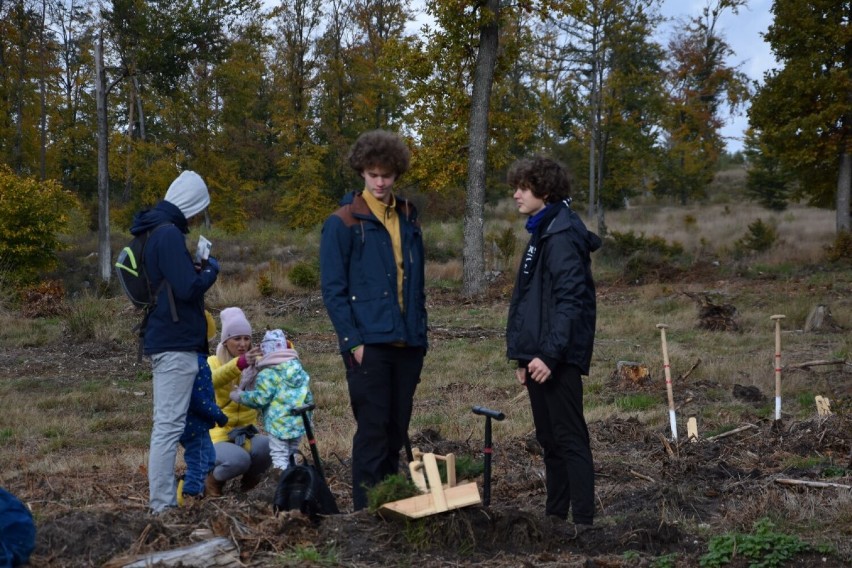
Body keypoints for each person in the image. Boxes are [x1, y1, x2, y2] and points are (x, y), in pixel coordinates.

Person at [319, 129, 428, 511]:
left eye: (386, 174)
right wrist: (353, 342)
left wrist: (422, 336)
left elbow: (416, 284)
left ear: (397, 173)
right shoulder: (343, 222)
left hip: (408, 344)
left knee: (396, 432)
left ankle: (390, 508)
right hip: (369, 345)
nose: (380, 182)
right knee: (373, 433)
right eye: (372, 174)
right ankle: (366, 518)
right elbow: (332, 290)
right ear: (361, 172)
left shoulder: (410, 217)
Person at [504, 156, 601, 535]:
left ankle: (585, 524)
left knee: (569, 437)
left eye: (522, 189)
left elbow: (570, 301)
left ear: (544, 191)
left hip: (557, 357)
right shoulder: (543, 230)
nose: (516, 195)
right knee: (549, 438)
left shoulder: (561, 234)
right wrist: (524, 356)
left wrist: (548, 355)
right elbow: (530, 301)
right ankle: (555, 516)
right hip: (540, 355)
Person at [131, 170, 220, 515]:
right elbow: (187, 289)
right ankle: (162, 505)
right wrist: (210, 270)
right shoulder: (167, 235)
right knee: (167, 427)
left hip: (169, 338)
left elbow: (174, 283)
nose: (196, 216)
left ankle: (164, 503)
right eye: (197, 208)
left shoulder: (156, 231)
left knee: (167, 425)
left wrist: (194, 270)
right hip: (175, 341)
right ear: (189, 203)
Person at [229, 329, 314, 475]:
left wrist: (241, 396)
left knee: (279, 455)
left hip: (278, 424)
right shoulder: (298, 368)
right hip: (299, 421)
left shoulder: (268, 374)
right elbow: (308, 396)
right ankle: (296, 479)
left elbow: (260, 399)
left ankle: (283, 482)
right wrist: (309, 417)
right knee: (293, 452)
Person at [207, 307, 271, 496]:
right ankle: (211, 481)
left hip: (246, 432)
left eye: (246, 338)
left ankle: (250, 485)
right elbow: (213, 380)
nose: (243, 344)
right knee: (239, 460)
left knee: (269, 446)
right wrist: (239, 364)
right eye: (237, 338)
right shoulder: (212, 362)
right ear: (226, 341)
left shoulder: (257, 363)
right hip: (218, 436)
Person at [177, 311, 228, 505]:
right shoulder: (195, 364)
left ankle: (193, 487)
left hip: (201, 425)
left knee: (208, 458)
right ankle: (190, 497)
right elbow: (197, 398)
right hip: (193, 425)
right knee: (197, 461)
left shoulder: (197, 361)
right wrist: (218, 414)